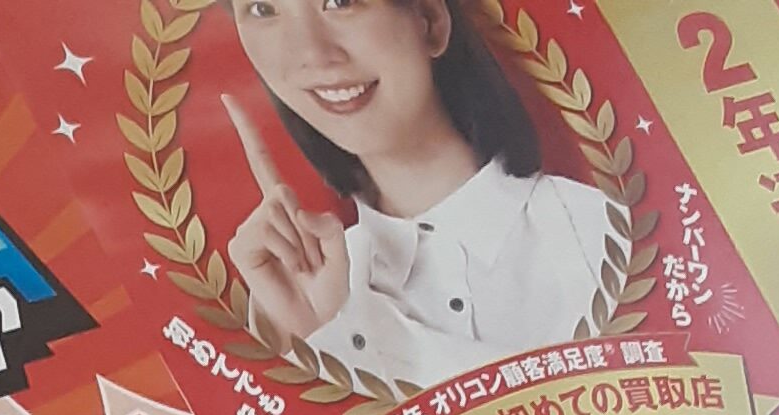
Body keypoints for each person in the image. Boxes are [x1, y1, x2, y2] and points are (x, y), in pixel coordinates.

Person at [223, 0, 630, 389]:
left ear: (430, 19)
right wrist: (313, 342)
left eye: (341, 1)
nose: (311, 54)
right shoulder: (293, 308)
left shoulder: (603, 238)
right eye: (262, 9)